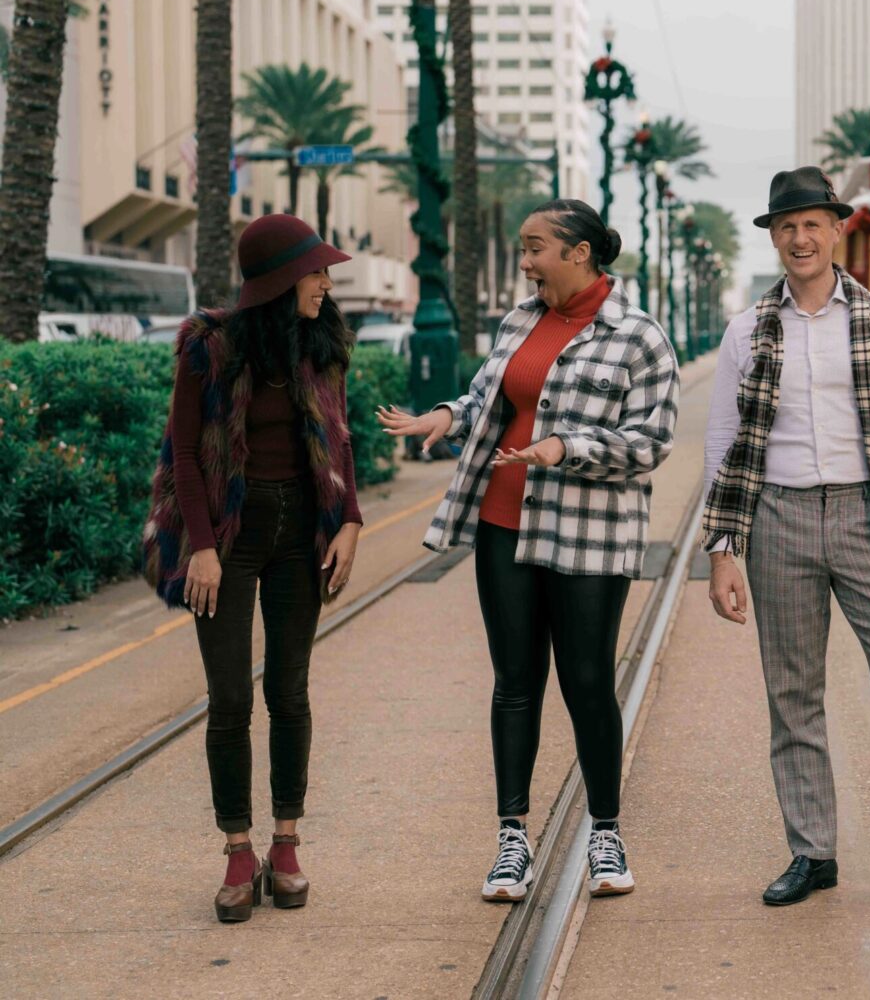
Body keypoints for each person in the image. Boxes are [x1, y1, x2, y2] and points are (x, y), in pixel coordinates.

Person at [377, 200, 678, 903]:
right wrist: (443, 415)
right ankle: (512, 840)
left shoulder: (639, 338)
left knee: (587, 681)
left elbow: (650, 442)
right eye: (523, 247)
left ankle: (605, 832)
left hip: (590, 534)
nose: (525, 261)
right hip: (503, 523)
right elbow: (487, 394)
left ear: (579, 253)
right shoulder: (521, 319)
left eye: (535, 247)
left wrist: (565, 448)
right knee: (514, 683)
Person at [703, 166, 870, 910]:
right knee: (793, 693)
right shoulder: (747, 329)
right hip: (778, 519)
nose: (800, 238)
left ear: (836, 229)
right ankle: (811, 851)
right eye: (787, 226)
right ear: (775, 237)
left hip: (868, 519)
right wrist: (723, 551)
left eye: (812, 223)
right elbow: (724, 442)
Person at [142, 214, 364, 923]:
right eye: (317, 272)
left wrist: (351, 519)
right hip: (229, 536)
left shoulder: (321, 340)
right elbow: (183, 452)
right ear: (280, 280)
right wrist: (202, 545)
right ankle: (239, 852)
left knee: (290, 694)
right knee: (231, 698)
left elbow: (339, 436)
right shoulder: (211, 347)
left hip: (302, 529)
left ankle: (287, 844)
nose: (327, 284)